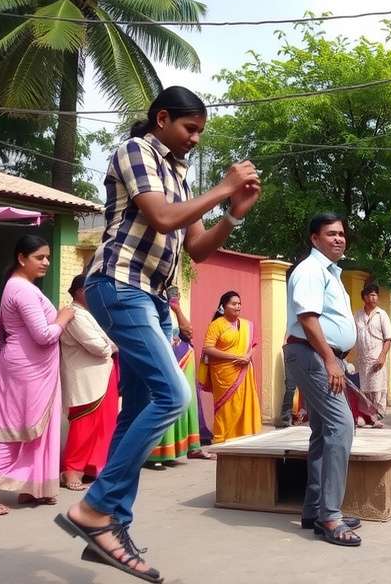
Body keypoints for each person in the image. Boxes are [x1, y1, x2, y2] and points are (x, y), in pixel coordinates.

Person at [55, 85, 261, 582]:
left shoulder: (178, 173)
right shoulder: (135, 151)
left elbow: (197, 250)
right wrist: (222, 186)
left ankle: (110, 524)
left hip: (152, 295)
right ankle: (94, 508)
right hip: (117, 285)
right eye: (190, 129)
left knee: (142, 404)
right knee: (172, 395)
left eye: (199, 133)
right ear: (162, 118)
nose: (195, 139)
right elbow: (163, 217)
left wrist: (232, 212)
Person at [0, 235, 75, 516]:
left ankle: (33, 487)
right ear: (22, 258)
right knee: (14, 428)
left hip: (34, 368)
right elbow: (43, 335)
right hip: (27, 369)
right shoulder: (22, 290)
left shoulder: (21, 287)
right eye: (39, 257)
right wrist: (64, 318)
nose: (45, 262)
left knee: (38, 429)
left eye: (47, 257)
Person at [284, 213, 361, 547]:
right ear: (314, 239)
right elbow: (307, 317)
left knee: (323, 431)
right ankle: (330, 517)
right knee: (341, 428)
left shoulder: (330, 272)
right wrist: (331, 360)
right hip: (313, 356)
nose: (339, 239)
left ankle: (314, 511)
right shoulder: (310, 270)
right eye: (331, 234)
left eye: (341, 234)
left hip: (321, 357)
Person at [60, 274, 119, 491]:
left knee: (104, 427)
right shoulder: (74, 314)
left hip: (103, 376)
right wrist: (111, 344)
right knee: (84, 426)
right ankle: (71, 470)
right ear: (79, 292)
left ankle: (92, 467)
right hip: (86, 380)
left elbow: (109, 341)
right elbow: (100, 347)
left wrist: (110, 343)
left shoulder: (89, 314)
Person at [144, 290, 213, 469]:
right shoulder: (146, 306)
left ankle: (178, 450)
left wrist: (177, 309)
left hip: (183, 358)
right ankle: (154, 454)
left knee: (186, 406)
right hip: (162, 358)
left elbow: (188, 332)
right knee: (164, 402)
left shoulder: (174, 311)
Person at [200, 291, 261, 443]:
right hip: (223, 374)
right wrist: (234, 357)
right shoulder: (216, 325)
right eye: (234, 304)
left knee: (244, 407)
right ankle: (221, 441)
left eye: (239, 303)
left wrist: (248, 356)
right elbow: (208, 348)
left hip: (245, 370)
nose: (237, 306)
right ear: (223, 306)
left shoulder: (247, 325)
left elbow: (254, 344)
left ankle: (244, 439)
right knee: (226, 409)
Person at [353, 283, 391, 428]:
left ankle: (376, 418)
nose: (373, 297)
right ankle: (365, 417)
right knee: (363, 390)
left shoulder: (381, 315)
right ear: (364, 297)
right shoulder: (357, 315)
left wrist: (383, 356)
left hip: (377, 358)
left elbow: (388, 338)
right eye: (370, 295)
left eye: (375, 295)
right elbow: (352, 336)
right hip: (362, 359)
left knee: (377, 388)